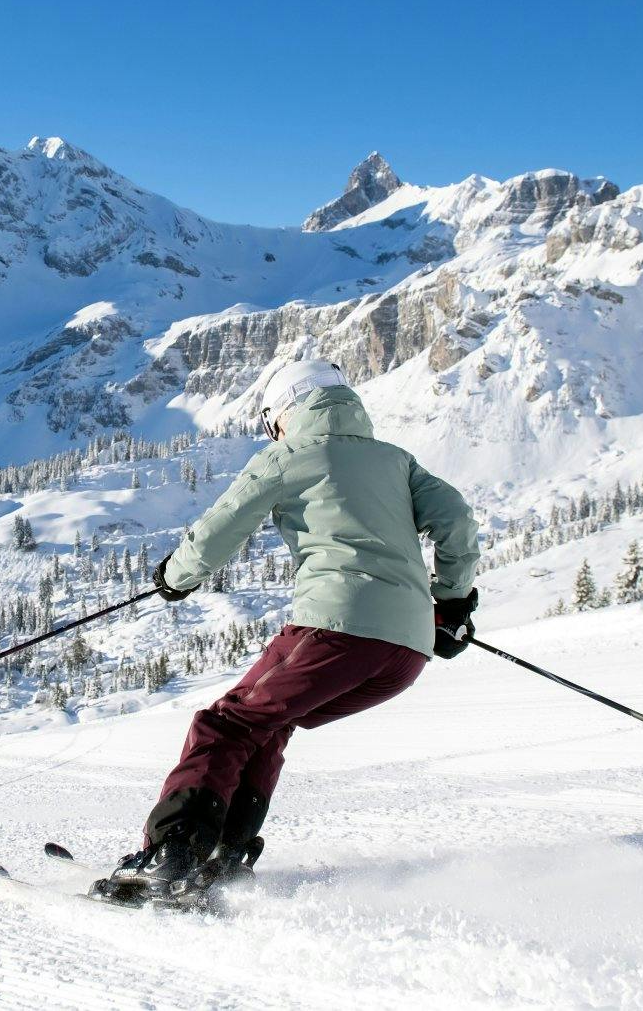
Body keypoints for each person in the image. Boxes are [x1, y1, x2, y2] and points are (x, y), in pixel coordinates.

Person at [98, 359, 481, 903]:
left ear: (286, 410)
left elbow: (224, 522)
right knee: (267, 726)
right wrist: (449, 603)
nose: (271, 431)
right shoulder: (397, 461)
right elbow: (457, 521)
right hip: (406, 653)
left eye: (269, 420)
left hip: (337, 627)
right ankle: (220, 860)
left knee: (227, 724)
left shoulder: (288, 455)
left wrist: (175, 577)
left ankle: (173, 857)